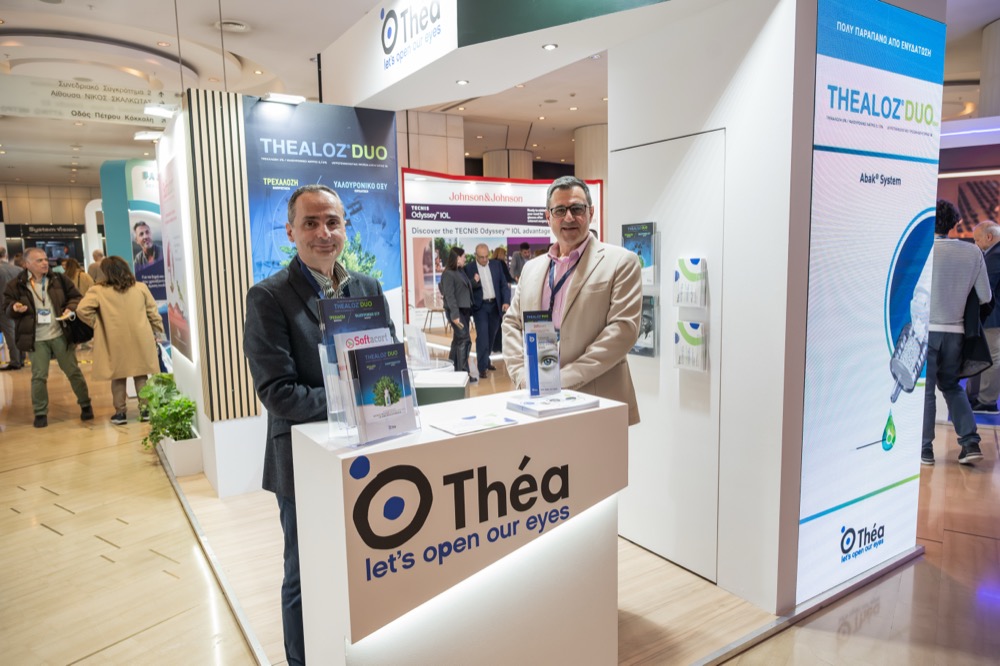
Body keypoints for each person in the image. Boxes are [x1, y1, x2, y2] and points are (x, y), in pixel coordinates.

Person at [243, 184, 395, 666]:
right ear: (290, 232)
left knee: (364, 564)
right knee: (303, 574)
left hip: (368, 452)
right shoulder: (268, 297)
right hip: (303, 460)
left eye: (333, 222)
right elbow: (278, 392)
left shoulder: (367, 289)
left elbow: (386, 368)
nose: (324, 233)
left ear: (345, 228)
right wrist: (357, 396)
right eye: (310, 223)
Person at [502, 175, 643, 425]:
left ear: (590, 212)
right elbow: (512, 324)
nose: (568, 217)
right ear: (548, 217)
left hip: (598, 401)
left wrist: (562, 379)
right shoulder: (532, 269)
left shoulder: (621, 262)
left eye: (577, 208)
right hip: (537, 402)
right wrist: (523, 376)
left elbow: (623, 331)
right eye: (560, 210)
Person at [922, 200, 991, 466]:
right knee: (951, 386)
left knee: (926, 390)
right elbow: (985, 296)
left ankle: (925, 449)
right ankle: (970, 442)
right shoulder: (973, 252)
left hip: (926, 331)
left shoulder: (923, 250)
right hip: (956, 332)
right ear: (954, 223)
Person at [2, 246, 94, 428]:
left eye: (45, 259)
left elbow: (76, 297)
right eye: (40, 260)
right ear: (27, 264)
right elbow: (6, 308)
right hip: (36, 337)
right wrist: (14, 308)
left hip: (60, 333)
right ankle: (40, 412)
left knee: (73, 371)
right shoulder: (15, 284)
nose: (45, 263)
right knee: (39, 376)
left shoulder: (59, 279)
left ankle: (85, 404)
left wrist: (70, 308)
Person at [76, 256, 164, 425]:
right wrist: (158, 330)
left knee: (117, 376)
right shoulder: (140, 287)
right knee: (141, 374)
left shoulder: (98, 291)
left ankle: (120, 413)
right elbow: (152, 312)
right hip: (141, 337)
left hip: (113, 339)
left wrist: (97, 323)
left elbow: (82, 309)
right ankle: (145, 410)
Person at [464, 242, 511, 378]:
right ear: (476, 256)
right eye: (481, 257)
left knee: (491, 336)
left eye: (486, 256)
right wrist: (474, 282)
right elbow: (466, 287)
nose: (485, 259)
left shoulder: (496, 265)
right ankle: (482, 367)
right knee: (483, 337)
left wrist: (506, 302)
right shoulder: (469, 268)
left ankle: (486, 359)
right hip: (480, 307)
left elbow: (503, 285)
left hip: (495, 306)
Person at [968, 220, 1000, 413]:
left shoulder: (995, 255)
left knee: (993, 358)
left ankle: (987, 401)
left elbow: (985, 290)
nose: (976, 244)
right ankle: (977, 396)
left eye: (977, 240)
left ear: (989, 237)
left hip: (993, 318)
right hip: (991, 317)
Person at [438, 247, 474, 381]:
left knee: (458, 340)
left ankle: (452, 369)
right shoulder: (448, 274)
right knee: (465, 339)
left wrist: (474, 282)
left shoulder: (460, 271)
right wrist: (454, 315)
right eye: (464, 257)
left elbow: (463, 288)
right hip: (456, 312)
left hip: (464, 311)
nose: (465, 259)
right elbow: (449, 295)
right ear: (457, 258)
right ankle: (463, 374)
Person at [0, 247, 25, 370]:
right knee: (19, 332)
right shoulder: (18, 270)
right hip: (19, 305)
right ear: (5, 255)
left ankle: (15, 361)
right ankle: (21, 358)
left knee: (10, 334)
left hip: (3, 307)